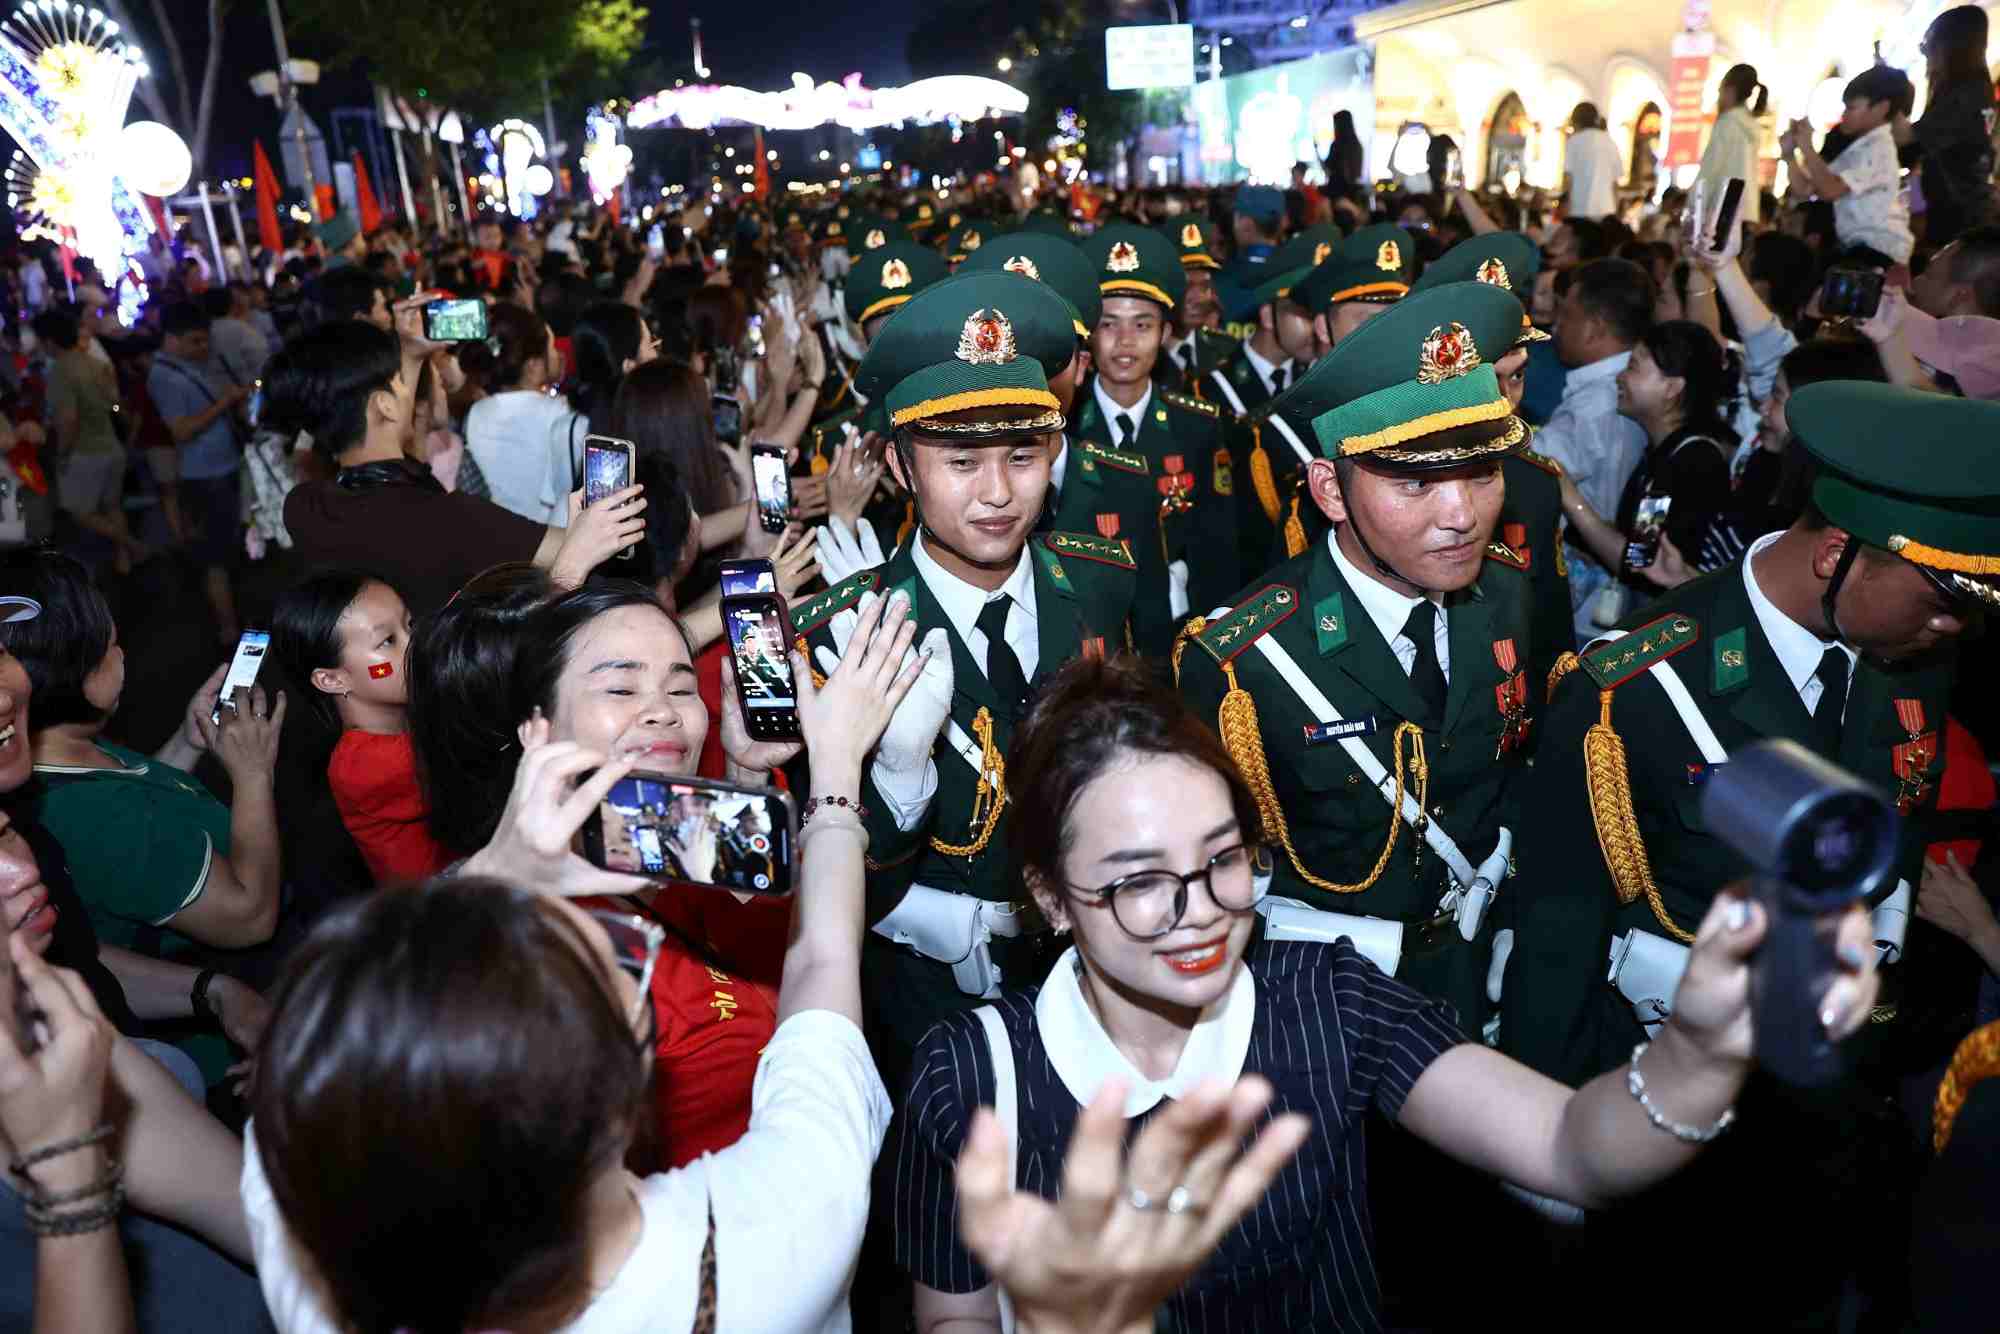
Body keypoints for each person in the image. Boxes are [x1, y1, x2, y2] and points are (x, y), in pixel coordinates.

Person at [900, 652, 1882, 1331]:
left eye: (1225, 858)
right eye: (1140, 881)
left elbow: (1568, 1147)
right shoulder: (967, 1075)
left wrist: (1702, 1050)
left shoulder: (1325, 998)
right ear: (1050, 898)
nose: (1199, 910)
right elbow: (953, 1308)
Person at [242, 586, 925, 1334]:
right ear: (628, 1086)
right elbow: (821, 970)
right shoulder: (775, 1240)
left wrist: (745, 778)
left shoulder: (329, 1283)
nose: (665, 708)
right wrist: (839, 774)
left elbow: (286, 1121)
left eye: (677, 683)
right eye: (621, 686)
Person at [794, 271, 1138, 1086]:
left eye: (1023, 456)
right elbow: (822, 895)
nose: (997, 493)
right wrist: (899, 777)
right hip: (923, 1022)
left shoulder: (1099, 582)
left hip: (1096, 997)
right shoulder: (838, 635)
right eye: (961, 461)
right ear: (900, 468)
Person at [272, 314, 642, 617]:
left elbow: (395, 468)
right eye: (400, 381)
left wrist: (413, 355)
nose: (409, 389)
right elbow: (564, 558)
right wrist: (590, 536)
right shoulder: (449, 519)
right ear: (384, 405)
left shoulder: (304, 507)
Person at [958, 234, 1172, 658]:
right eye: (1009, 358)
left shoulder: (1127, 483)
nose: (1027, 378)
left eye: (1050, 357)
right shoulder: (951, 490)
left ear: (1081, 367)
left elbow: (1151, 641)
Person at [1410, 233, 1573, 709]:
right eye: (1485, 377)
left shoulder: (1537, 483)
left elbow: (1548, 636)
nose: (1503, 399)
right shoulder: (1380, 474)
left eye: (1517, 375)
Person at [1082, 225, 1236, 622]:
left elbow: (1216, 548)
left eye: (1142, 325)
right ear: (1089, 335)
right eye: (1109, 324)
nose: (1125, 341)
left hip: (1176, 626)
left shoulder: (1196, 426)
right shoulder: (1062, 430)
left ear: (1166, 332)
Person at [270, 569, 445, 886]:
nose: (416, 643)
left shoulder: (413, 708)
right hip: (436, 903)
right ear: (332, 679)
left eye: (410, 624)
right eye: (388, 641)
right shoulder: (361, 766)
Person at [1558, 320, 1736, 599]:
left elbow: (1641, 561)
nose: (1619, 377)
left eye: (1632, 367)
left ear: (1672, 388)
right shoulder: (1665, 451)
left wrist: (1571, 500)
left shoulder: (1692, 461)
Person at [1542, 257, 1655, 639]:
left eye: (1566, 314)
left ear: (1594, 328)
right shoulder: (1609, 395)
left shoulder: (1599, 402)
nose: (1557, 325)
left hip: (1594, 611)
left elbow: (1538, 463)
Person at [148, 301, 249, 646]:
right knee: (215, 556)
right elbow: (181, 431)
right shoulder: (164, 376)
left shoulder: (187, 365)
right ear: (172, 339)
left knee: (226, 549)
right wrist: (224, 403)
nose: (203, 348)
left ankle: (233, 617)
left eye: (205, 341)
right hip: (203, 476)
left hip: (222, 467)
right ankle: (227, 628)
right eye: (195, 341)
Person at [35, 308, 141, 575]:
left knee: (78, 510)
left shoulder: (60, 371)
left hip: (85, 452)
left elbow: (68, 421)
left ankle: (132, 544)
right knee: (112, 506)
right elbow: (113, 401)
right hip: (110, 444)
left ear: (48, 341)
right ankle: (124, 559)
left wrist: (61, 454)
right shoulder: (93, 362)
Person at [1779, 65, 1915, 267]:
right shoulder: (1859, 148)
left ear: (1881, 108)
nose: (1844, 114)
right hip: (1860, 248)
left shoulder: (1878, 148)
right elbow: (1807, 189)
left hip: (1878, 252)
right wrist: (1789, 155)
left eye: (1851, 108)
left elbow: (1829, 190)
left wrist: (1806, 147)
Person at [464, 302, 584, 527]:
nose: (558, 354)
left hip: (499, 543)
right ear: (533, 366)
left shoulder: (476, 413)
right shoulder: (562, 413)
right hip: (548, 543)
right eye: (551, 347)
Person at [1898, 5, 1995, 248]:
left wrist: (1890, 100)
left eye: (1928, 45)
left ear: (1952, 47)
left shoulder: (1967, 93)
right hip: (1960, 213)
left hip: (1960, 218)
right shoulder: (1973, 90)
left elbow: (1910, 139)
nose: (1926, 55)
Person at [567, 300, 660, 437]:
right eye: (650, 343)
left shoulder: (569, 427)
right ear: (629, 365)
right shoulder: (657, 421)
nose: (656, 354)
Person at [1696, 65, 1768, 228]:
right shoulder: (1750, 126)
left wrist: (1694, 206)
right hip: (1746, 210)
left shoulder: (1727, 123)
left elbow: (1710, 169)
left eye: (1720, 91)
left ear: (1730, 90)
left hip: (1721, 210)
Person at [1561, 103, 1625, 223]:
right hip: (1606, 209)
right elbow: (1615, 183)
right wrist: (1616, 210)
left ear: (1576, 121)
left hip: (1579, 210)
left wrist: (1564, 207)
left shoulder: (1574, 141)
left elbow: (1568, 178)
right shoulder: (1610, 142)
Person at [1325, 107, 1364, 202]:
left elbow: (1328, 168)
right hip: (1353, 194)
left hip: (1336, 193)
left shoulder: (1336, 145)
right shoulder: (1357, 146)